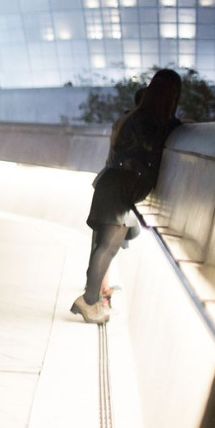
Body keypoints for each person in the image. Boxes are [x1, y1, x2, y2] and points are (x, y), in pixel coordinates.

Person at [72, 69, 182, 324]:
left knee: (106, 246)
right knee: (107, 248)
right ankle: (88, 302)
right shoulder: (153, 123)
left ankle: (92, 300)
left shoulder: (134, 117)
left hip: (114, 184)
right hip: (120, 188)